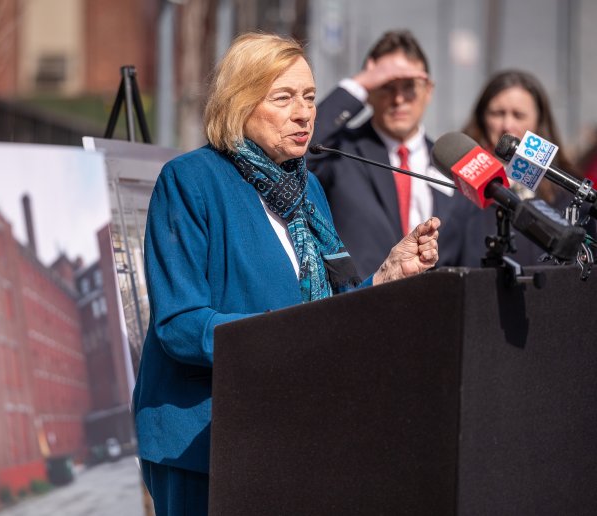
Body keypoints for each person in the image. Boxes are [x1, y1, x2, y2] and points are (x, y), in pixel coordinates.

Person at [132, 32, 442, 516]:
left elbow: (323, 316)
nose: (304, 114)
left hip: (291, 432)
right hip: (202, 442)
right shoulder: (190, 179)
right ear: (239, 103)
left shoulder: (307, 187)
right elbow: (180, 325)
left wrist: (384, 277)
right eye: (283, 98)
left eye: (310, 97)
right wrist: (281, 339)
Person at [308, 30, 478, 277]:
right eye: (386, 86)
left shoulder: (451, 160)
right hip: (361, 297)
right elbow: (298, 151)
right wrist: (357, 85)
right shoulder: (339, 152)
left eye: (409, 87)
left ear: (428, 90)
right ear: (370, 92)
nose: (398, 99)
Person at [461, 69, 590, 265]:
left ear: (538, 120)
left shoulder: (569, 190)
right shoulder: (461, 183)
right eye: (497, 113)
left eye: (519, 115)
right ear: (482, 118)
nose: (507, 125)